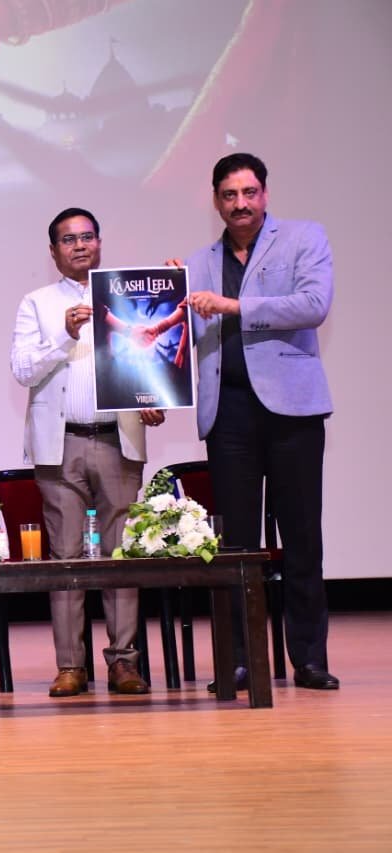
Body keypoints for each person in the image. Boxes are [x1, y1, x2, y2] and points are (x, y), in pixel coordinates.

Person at [180, 152, 338, 691]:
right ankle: (241, 659)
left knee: (302, 537)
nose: (240, 204)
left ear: (265, 194)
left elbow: (314, 304)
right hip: (229, 415)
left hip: (292, 411)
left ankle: (310, 659)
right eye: (229, 195)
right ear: (216, 201)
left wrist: (234, 307)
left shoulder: (303, 238)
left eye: (249, 193)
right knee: (237, 549)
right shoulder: (198, 262)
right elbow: (176, 334)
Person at [10, 209, 163, 698]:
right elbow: (22, 369)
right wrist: (65, 335)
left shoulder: (128, 294)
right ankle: (70, 665)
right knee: (65, 557)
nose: (79, 246)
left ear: (100, 243)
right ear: (53, 251)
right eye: (68, 240)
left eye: (88, 237)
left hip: (118, 438)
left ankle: (123, 662)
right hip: (63, 442)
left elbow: (152, 354)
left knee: (121, 554)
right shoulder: (36, 303)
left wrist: (155, 396)